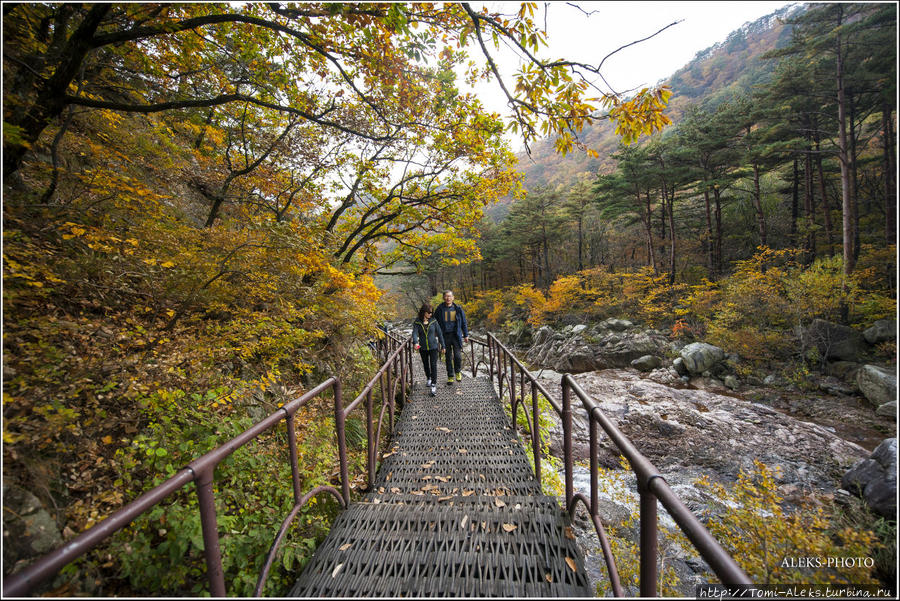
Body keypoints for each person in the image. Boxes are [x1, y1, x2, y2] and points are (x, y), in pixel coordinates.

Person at [433, 290, 468, 386]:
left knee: (457, 356)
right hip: (445, 336)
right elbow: (434, 321)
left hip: (456, 335)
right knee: (448, 357)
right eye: (446, 296)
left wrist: (466, 335)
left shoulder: (458, 309)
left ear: (453, 297)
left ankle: (457, 372)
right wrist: (435, 332)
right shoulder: (440, 309)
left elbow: (464, 322)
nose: (448, 298)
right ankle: (450, 376)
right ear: (444, 298)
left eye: (450, 296)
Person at [411, 303, 444, 396]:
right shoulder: (417, 322)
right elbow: (414, 333)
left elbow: (440, 333)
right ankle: (428, 378)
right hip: (423, 348)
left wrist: (443, 346)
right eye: (429, 312)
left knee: (433, 365)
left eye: (431, 312)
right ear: (424, 312)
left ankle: (433, 385)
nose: (431, 314)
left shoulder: (434, 321)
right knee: (426, 365)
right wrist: (415, 342)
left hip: (433, 347)